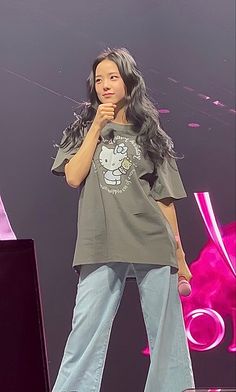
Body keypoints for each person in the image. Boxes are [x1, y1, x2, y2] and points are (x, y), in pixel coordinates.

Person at [51, 47, 195, 392]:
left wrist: (181, 257)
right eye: (99, 79)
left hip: (151, 239)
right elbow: (73, 176)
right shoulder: (84, 128)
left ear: (129, 82)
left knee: (166, 331)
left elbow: (165, 201)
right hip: (100, 241)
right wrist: (97, 126)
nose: (105, 85)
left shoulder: (153, 136)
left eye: (113, 77)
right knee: (85, 328)